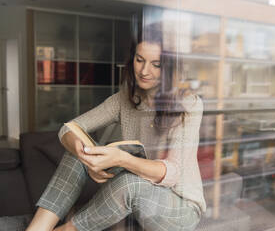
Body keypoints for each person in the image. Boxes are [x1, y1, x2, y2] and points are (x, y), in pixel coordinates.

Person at [26, 25, 205, 231]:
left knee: (130, 182)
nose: (145, 71)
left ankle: (66, 230)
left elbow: (172, 173)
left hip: (180, 207)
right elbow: (70, 128)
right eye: (140, 60)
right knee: (79, 152)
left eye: (156, 64)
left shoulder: (189, 104)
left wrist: (121, 159)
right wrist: (84, 155)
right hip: (138, 196)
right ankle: (37, 228)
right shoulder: (124, 99)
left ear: (169, 68)